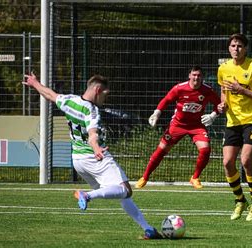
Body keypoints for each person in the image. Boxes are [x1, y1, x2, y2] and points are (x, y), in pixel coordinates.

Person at [22, 72, 162, 239]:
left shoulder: (69, 100)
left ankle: (148, 229)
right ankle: (87, 195)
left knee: (118, 192)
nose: (105, 98)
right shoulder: (92, 111)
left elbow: (50, 95)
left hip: (78, 161)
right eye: (105, 94)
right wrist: (96, 148)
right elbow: (93, 134)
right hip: (96, 158)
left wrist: (35, 84)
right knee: (126, 189)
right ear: (97, 90)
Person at [135, 66, 221, 189]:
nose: (196, 77)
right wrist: (156, 113)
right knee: (161, 150)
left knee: (205, 149)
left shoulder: (208, 90)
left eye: (199, 75)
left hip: (196, 126)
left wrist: (213, 115)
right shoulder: (179, 88)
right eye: (194, 75)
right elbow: (166, 100)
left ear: (202, 77)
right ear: (189, 75)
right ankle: (145, 177)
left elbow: (219, 105)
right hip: (178, 125)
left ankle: (195, 177)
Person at [217, 33, 252, 221]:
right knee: (227, 163)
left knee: (246, 160)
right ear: (228, 48)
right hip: (233, 121)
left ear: (245, 48)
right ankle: (240, 200)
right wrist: (222, 105)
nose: (236, 49)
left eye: (239, 46)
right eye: (233, 46)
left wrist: (242, 90)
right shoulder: (223, 68)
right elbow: (224, 94)